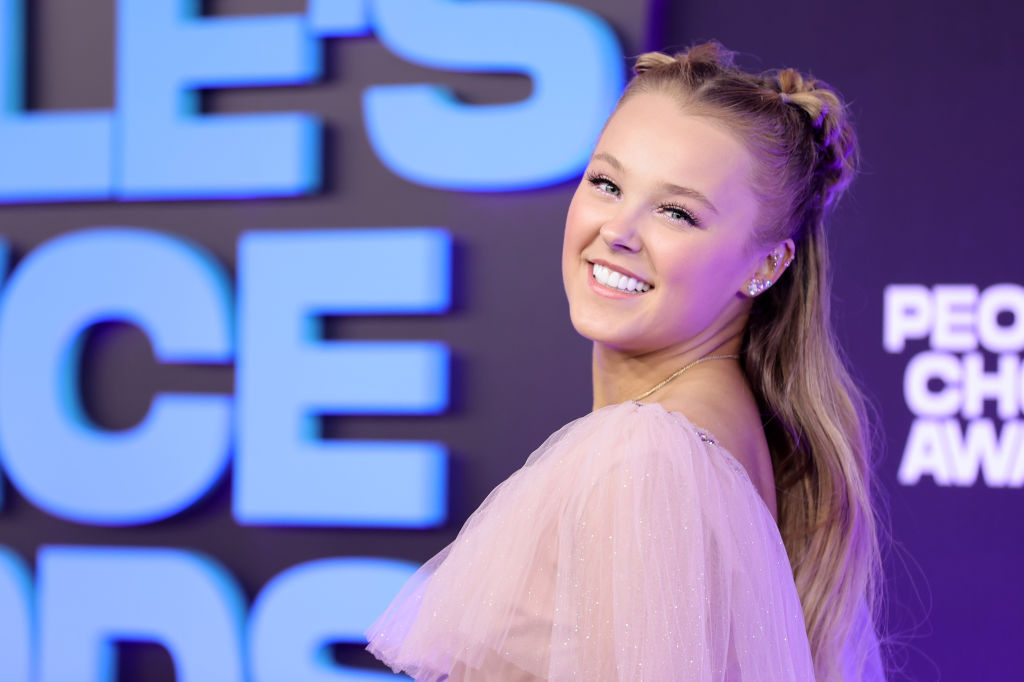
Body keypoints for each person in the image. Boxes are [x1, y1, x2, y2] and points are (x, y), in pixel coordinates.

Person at [364, 41, 887, 681]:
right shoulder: (705, 429)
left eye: (676, 212)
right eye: (607, 183)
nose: (618, 230)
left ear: (768, 263)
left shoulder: (642, 455)